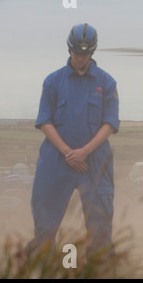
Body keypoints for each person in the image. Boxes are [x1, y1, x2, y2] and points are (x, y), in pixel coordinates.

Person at [25, 23, 120, 261]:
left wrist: (84, 152)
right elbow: (45, 121)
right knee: (45, 222)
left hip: (94, 160)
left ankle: (102, 269)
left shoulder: (107, 83)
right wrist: (69, 153)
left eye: (85, 54)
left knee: (100, 224)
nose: (80, 58)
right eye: (77, 53)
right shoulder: (52, 82)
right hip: (57, 158)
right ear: (69, 50)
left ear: (93, 52)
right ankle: (40, 265)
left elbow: (109, 123)